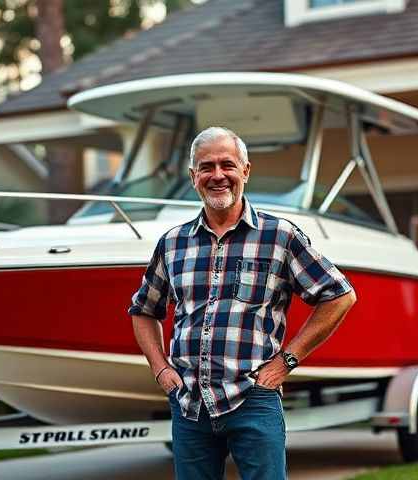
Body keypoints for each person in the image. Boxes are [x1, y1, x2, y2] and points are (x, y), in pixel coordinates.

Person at [128, 126, 357, 480]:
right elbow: (144, 311)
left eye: (227, 165)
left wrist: (286, 361)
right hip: (190, 405)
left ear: (245, 172)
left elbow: (340, 295)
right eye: (206, 167)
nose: (217, 175)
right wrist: (161, 370)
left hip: (254, 398)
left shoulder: (279, 236)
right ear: (193, 177)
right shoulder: (172, 244)